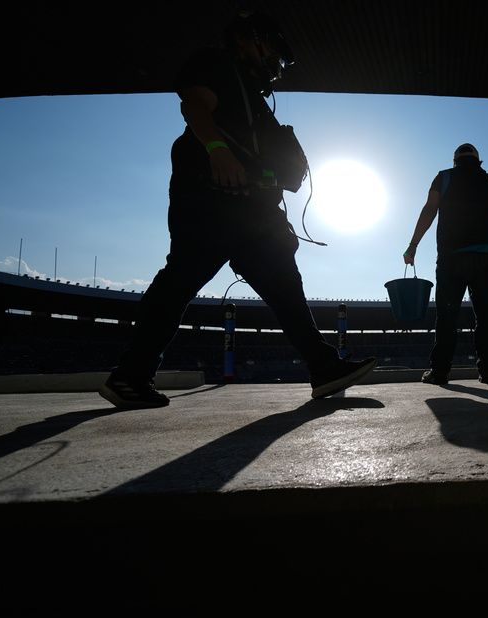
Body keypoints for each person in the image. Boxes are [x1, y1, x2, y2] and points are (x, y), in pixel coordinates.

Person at [99, 11, 376, 409]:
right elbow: (194, 105)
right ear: (246, 39)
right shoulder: (215, 65)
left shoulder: (255, 98)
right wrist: (218, 151)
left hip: (254, 208)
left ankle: (323, 366)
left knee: (285, 288)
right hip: (211, 197)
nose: (277, 59)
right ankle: (130, 376)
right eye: (273, 48)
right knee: (180, 280)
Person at [404, 143, 488, 385]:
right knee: (485, 317)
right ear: (477, 161)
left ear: (455, 161)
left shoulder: (444, 177)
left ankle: (440, 372)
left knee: (447, 316)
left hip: (452, 258)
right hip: (485, 258)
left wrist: (413, 246)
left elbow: (430, 209)